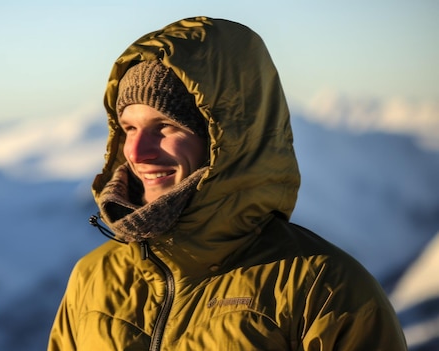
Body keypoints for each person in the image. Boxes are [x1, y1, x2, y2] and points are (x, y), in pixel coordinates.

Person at [48, 16, 408, 350]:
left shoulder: (325, 289)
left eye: (166, 126)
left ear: (228, 139)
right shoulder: (92, 278)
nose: (137, 152)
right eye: (129, 128)